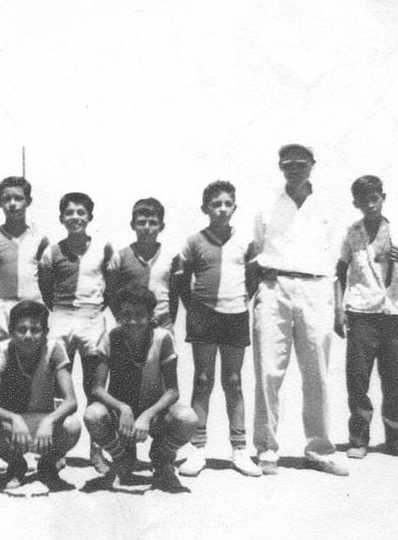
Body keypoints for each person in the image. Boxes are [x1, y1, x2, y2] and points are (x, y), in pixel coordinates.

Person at [247, 144, 348, 476]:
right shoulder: (266, 206)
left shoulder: (328, 207)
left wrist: (337, 306)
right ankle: (266, 448)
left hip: (317, 289)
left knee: (317, 372)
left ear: (312, 165)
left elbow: (335, 261)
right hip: (274, 288)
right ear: (280, 167)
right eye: (287, 164)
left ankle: (319, 448)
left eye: (300, 163)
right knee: (268, 371)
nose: (294, 169)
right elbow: (255, 250)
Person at [174, 181, 262, 477]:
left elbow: (253, 278)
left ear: (234, 207)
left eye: (227, 204)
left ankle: (239, 449)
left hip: (235, 315)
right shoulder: (194, 241)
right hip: (203, 315)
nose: (222, 209)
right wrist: (196, 308)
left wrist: (239, 301)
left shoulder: (246, 242)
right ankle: (197, 449)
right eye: (216, 204)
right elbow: (182, 281)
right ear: (205, 208)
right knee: (202, 379)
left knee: (234, 380)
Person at [336, 175, 398, 460]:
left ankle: (397, 439)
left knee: (395, 378)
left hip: (393, 311)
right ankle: (358, 438)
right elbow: (340, 271)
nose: (370, 205)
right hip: (361, 312)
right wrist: (338, 309)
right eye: (364, 200)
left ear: (383, 197)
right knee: (358, 377)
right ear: (355, 203)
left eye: (375, 198)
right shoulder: (352, 233)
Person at [84, 286, 197, 492]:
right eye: (126, 315)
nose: (133, 321)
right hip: (123, 417)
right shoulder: (111, 338)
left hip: (154, 415)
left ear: (151, 316)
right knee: (93, 415)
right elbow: (97, 389)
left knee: (187, 419)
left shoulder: (163, 338)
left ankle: (162, 459)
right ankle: (121, 460)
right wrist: (123, 408)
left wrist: (147, 415)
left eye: (139, 315)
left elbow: (173, 391)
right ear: (118, 316)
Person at [38, 191, 114, 467]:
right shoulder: (52, 251)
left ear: (89, 217)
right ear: (61, 218)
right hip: (61, 316)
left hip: (92, 318)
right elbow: (46, 288)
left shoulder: (103, 248)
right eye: (69, 213)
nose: (75, 218)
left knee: (94, 386)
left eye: (81, 213)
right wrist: (60, 310)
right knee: (59, 385)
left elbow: (112, 287)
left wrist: (94, 309)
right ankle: (57, 451)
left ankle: (97, 450)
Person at [0, 301, 81, 495]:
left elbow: (71, 401)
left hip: (43, 421)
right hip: (14, 426)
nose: (28, 336)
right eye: (21, 329)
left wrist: (50, 421)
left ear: (45, 332)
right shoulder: (2, 351)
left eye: (35, 330)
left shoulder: (54, 349)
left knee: (72, 426)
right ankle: (17, 465)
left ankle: (48, 465)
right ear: (10, 330)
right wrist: (14, 419)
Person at [0, 176, 49, 353]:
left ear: (28, 201)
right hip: (1, 310)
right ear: (0, 202)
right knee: (0, 364)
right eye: (6, 199)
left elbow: (46, 282)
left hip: (32, 310)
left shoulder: (39, 239)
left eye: (18, 198)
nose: (12, 204)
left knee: (32, 367)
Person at [107, 197, 178, 336]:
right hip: (131, 323)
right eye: (141, 223)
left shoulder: (171, 257)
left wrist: (168, 321)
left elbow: (175, 295)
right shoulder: (120, 257)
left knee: (165, 357)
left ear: (161, 226)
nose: (147, 228)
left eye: (153, 223)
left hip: (162, 323)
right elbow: (111, 293)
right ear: (132, 225)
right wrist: (122, 318)